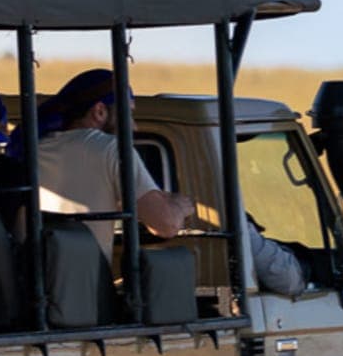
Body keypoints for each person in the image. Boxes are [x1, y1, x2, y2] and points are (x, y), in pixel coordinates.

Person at [32, 68, 308, 297]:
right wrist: (180, 205)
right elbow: (165, 224)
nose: (135, 127)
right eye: (128, 114)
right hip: (88, 294)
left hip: (42, 290)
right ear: (100, 112)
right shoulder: (108, 149)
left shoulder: (36, 149)